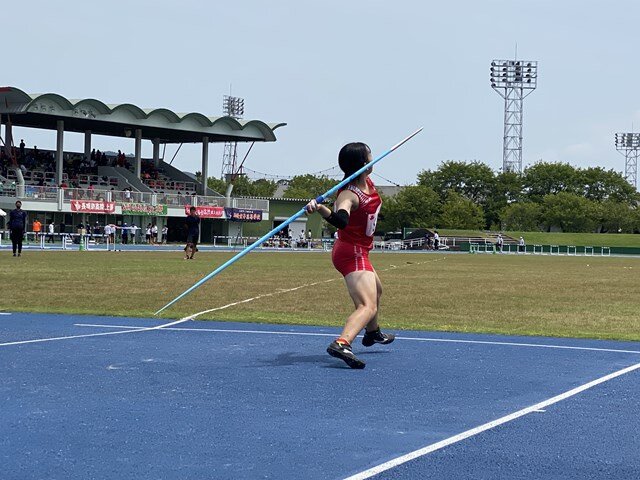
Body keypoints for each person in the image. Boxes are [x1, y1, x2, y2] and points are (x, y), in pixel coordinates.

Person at [305, 142, 394, 369]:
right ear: (364, 164)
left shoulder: (367, 182)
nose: (374, 158)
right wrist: (321, 208)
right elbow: (341, 221)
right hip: (351, 251)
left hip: (360, 249)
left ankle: (372, 332)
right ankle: (342, 342)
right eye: (370, 156)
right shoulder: (349, 194)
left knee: (378, 289)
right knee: (367, 305)